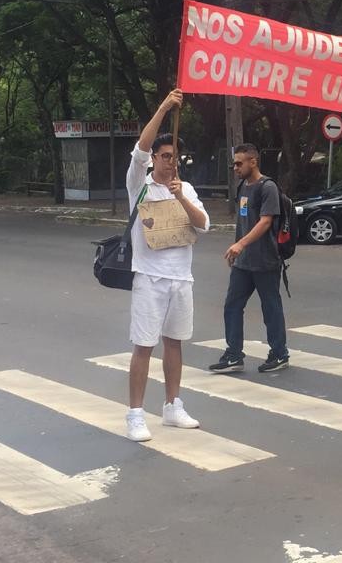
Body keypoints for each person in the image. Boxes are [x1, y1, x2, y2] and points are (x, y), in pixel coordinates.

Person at [123, 89, 209, 442]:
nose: (169, 161)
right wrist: (164, 107)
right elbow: (139, 150)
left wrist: (178, 196)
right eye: (164, 156)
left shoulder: (184, 188)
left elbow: (202, 224)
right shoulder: (138, 185)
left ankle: (172, 405)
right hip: (149, 279)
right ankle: (135, 414)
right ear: (154, 158)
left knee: (174, 343)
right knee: (144, 345)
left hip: (180, 279)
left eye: (174, 156)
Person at [208, 143, 290, 374]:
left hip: (265, 261)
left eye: (239, 163)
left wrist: (240, 244)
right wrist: (237, 249)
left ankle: (279, 353)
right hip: (244, 263)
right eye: (234, 163)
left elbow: (265, 221)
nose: (235, 167)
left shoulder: (268, 187)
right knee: (232, 306)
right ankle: (234, 355)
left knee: (270, 309)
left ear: (253, 162)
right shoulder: (243, 186)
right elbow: (242, 224)